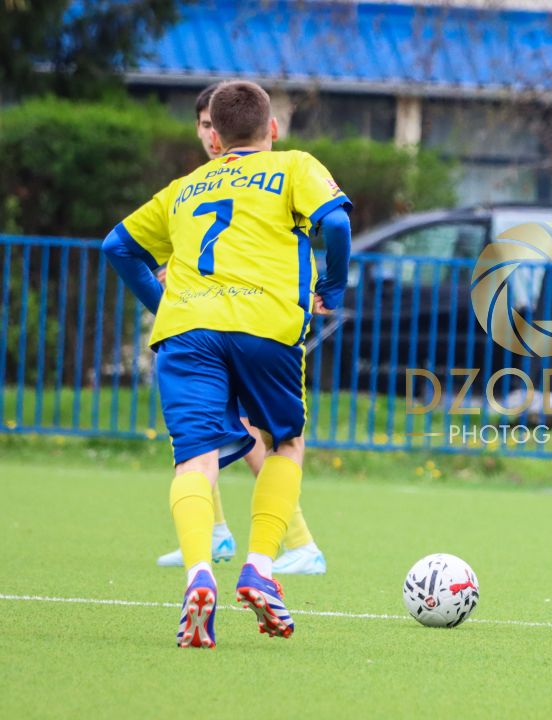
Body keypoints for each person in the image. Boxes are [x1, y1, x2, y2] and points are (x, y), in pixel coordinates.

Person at [103, 80, 353, 648]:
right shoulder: (293, 166)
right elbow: (335, 224)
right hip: (266, 328)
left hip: (187, 334)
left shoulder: (185, 187)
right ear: (271, 129)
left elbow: (117, 248)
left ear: (213, 135)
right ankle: (261, 567)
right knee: (285, 442)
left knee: (194, 459)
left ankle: (198, 576)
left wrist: (166, 306)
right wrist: (332, 289)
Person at [154, 83, 328, 576]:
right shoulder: (196, 185)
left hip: (245, 322)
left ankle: (296, 540)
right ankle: (217, 532)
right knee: (205, 434)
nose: (211, 134)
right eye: (204, 125)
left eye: (216, 124)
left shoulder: (274, 171)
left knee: (250, 434)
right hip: (210, 323)